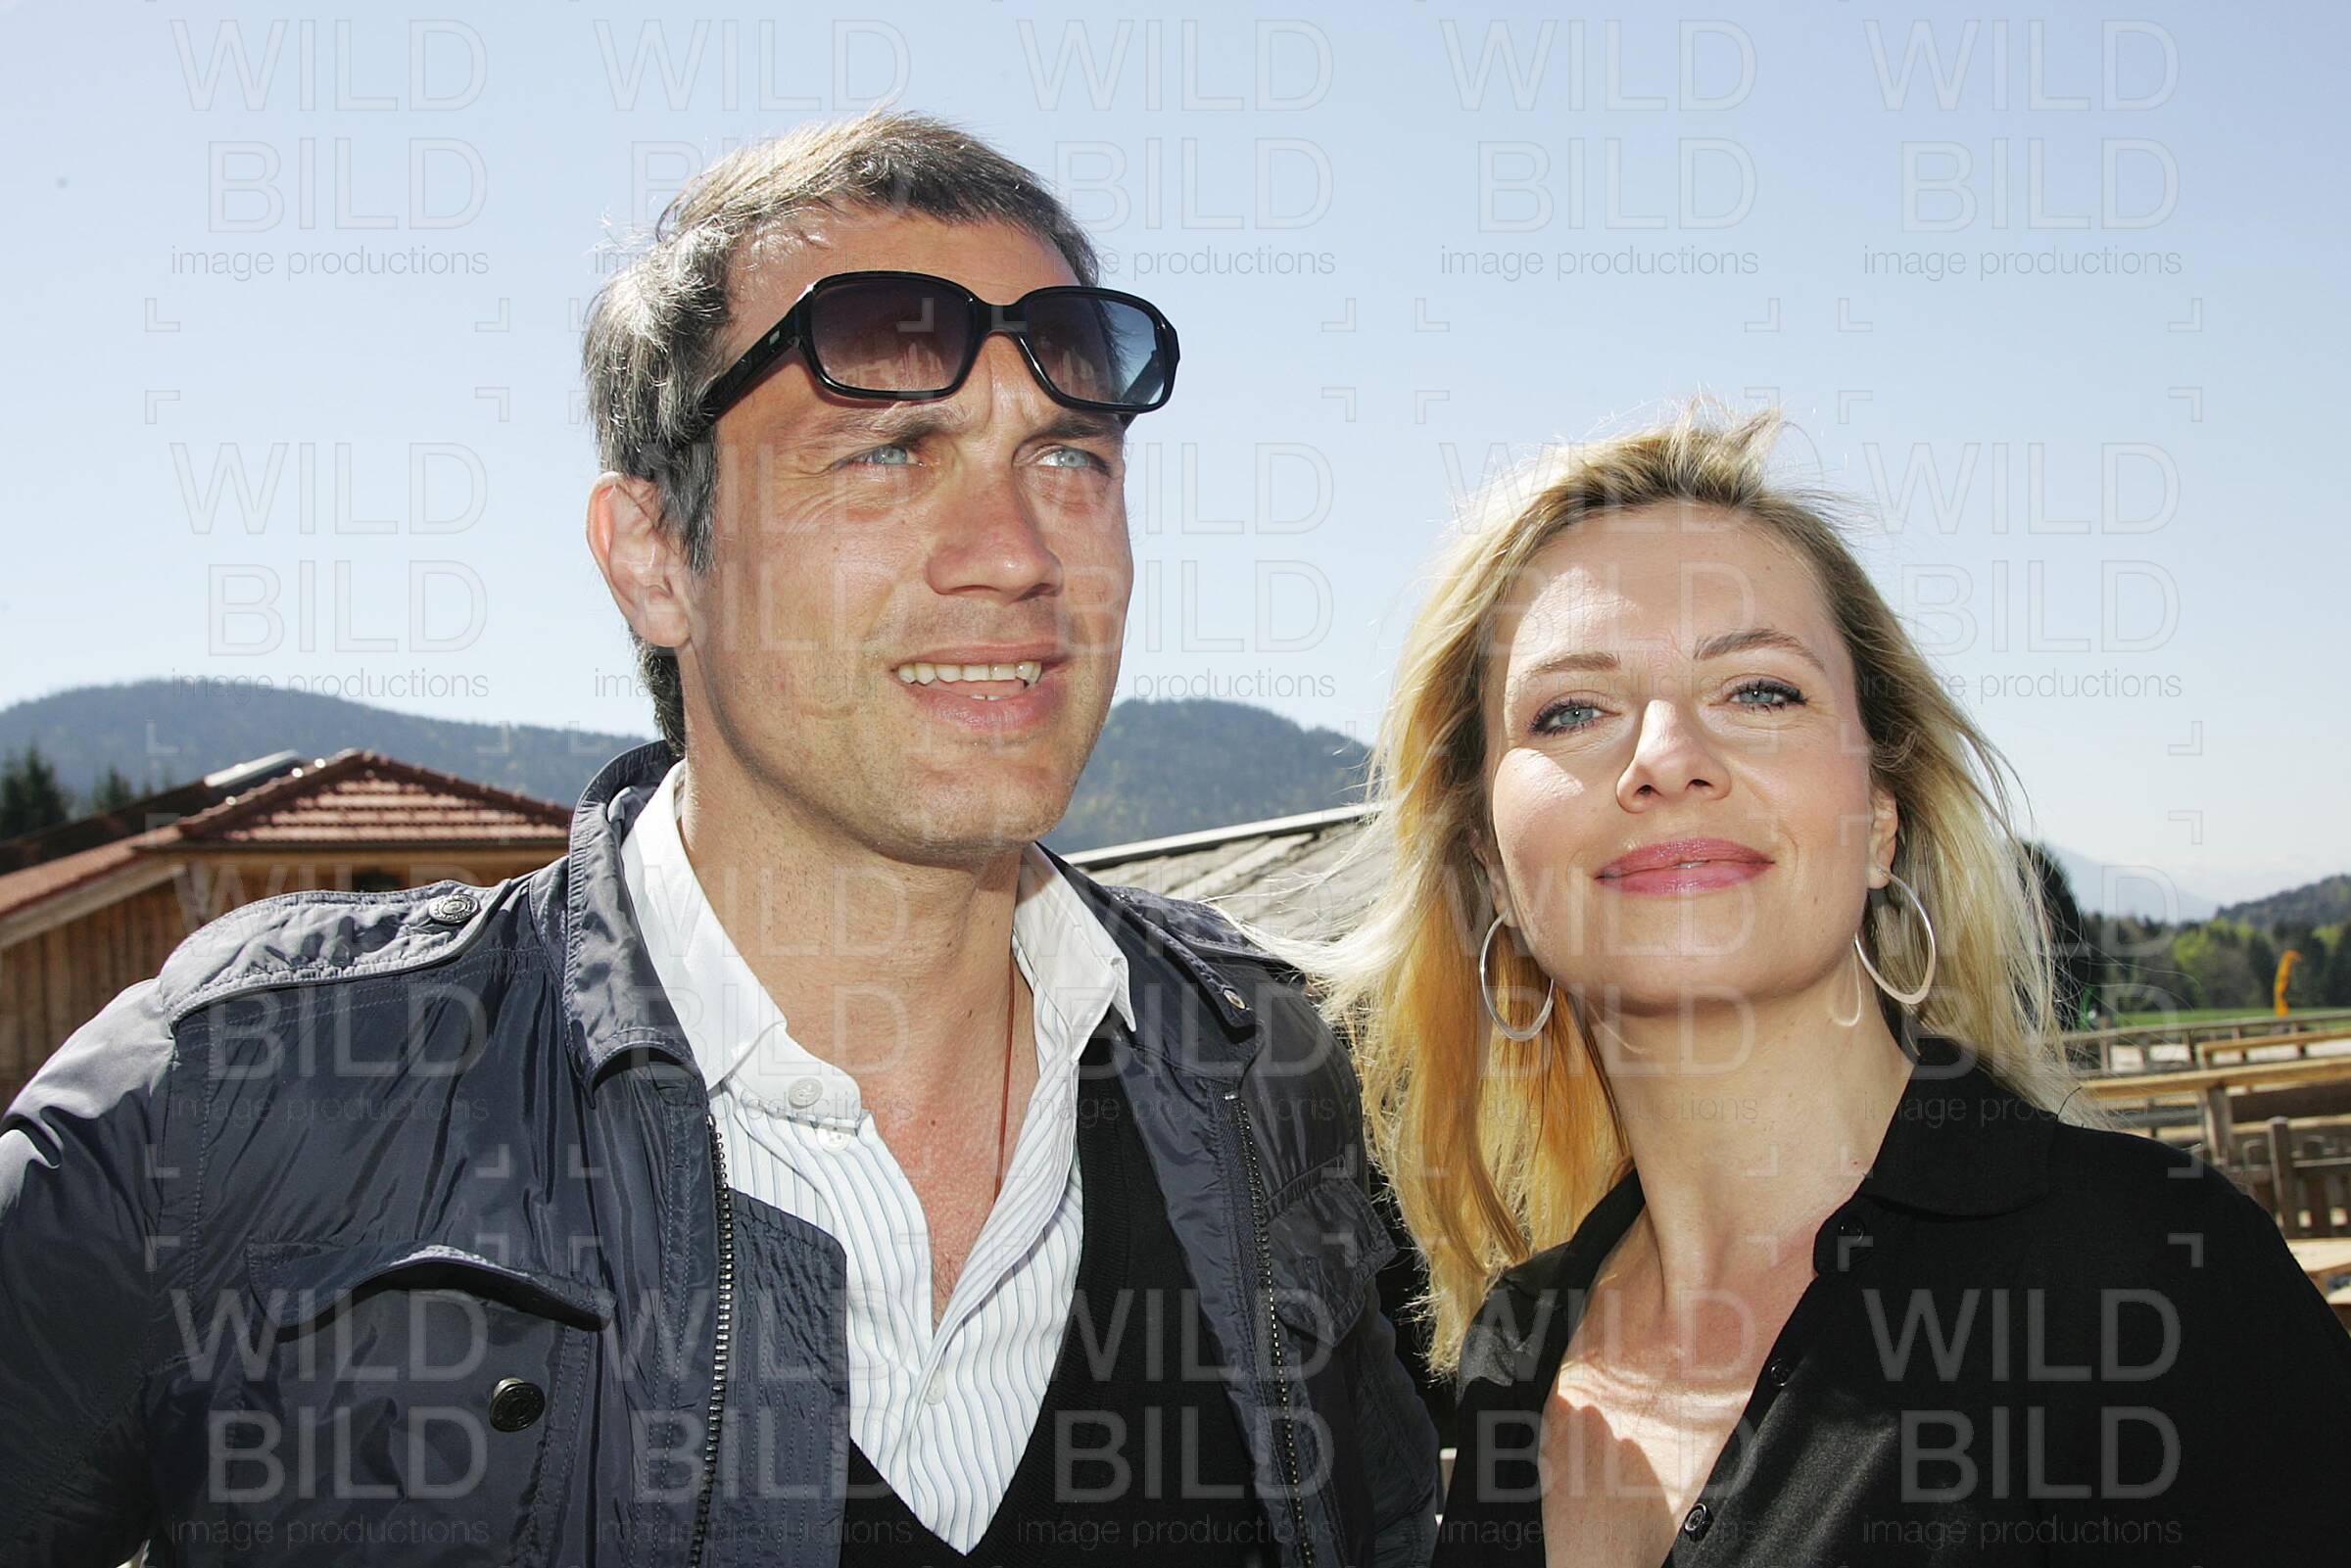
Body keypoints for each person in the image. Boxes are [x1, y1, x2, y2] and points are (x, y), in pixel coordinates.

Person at [0, 111, 1439, 1567]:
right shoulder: (240, 1099)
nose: (1016, 552)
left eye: (1069, 458)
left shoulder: (1271, 1076)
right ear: (654, 560)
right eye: (891, 452)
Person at [1266, 402, 2351, 1563]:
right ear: (1492, 864)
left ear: (1881, 816)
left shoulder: (2147, 1279)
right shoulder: (1517, 1355)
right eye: (1572, 709)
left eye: (1761, 690)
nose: (1667, 757)